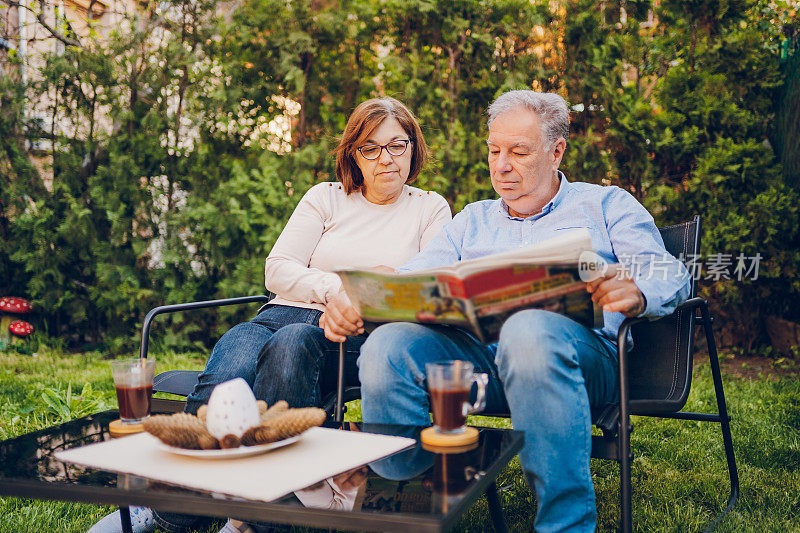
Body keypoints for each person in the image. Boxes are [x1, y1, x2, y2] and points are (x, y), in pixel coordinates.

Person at [322, 90, 691, 532]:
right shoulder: (472, 220)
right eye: (494, 150)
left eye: (518, 152)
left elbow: (669, 271)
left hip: (578, 362)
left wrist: (637, 290)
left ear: (557, 151)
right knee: (387, 345)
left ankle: (566, 526)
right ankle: (411, 494)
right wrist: (359, 299)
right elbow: (411, 276)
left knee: (529, 330)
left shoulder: (605, 205)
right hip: (482, 366)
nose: (501, 165)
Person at [90, 96, 451, 533]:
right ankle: (172, 507)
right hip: (281, 314)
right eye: (370, 148)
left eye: (397, 145)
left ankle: (256, 518)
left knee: (292, 344)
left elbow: (420, 284)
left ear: (413, 146)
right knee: (237, 353)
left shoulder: (429, 209)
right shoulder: (326, 198)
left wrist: (352, 303)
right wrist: (341, 287)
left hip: (353, 334)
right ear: (353, 155)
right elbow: (277, 269)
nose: (386, 159)